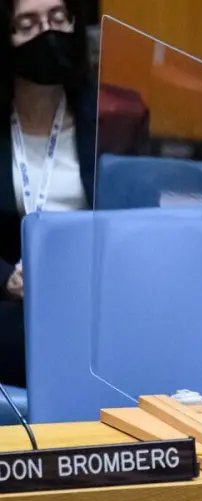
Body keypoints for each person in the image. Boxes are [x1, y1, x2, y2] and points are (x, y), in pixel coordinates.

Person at [0, 0, 95, 388]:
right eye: (28, 23)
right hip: (12, 311)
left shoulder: (108, 120)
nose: (47, 34)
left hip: (91, 303)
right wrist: (6, 278)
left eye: (58, 19)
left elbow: (134, 221)